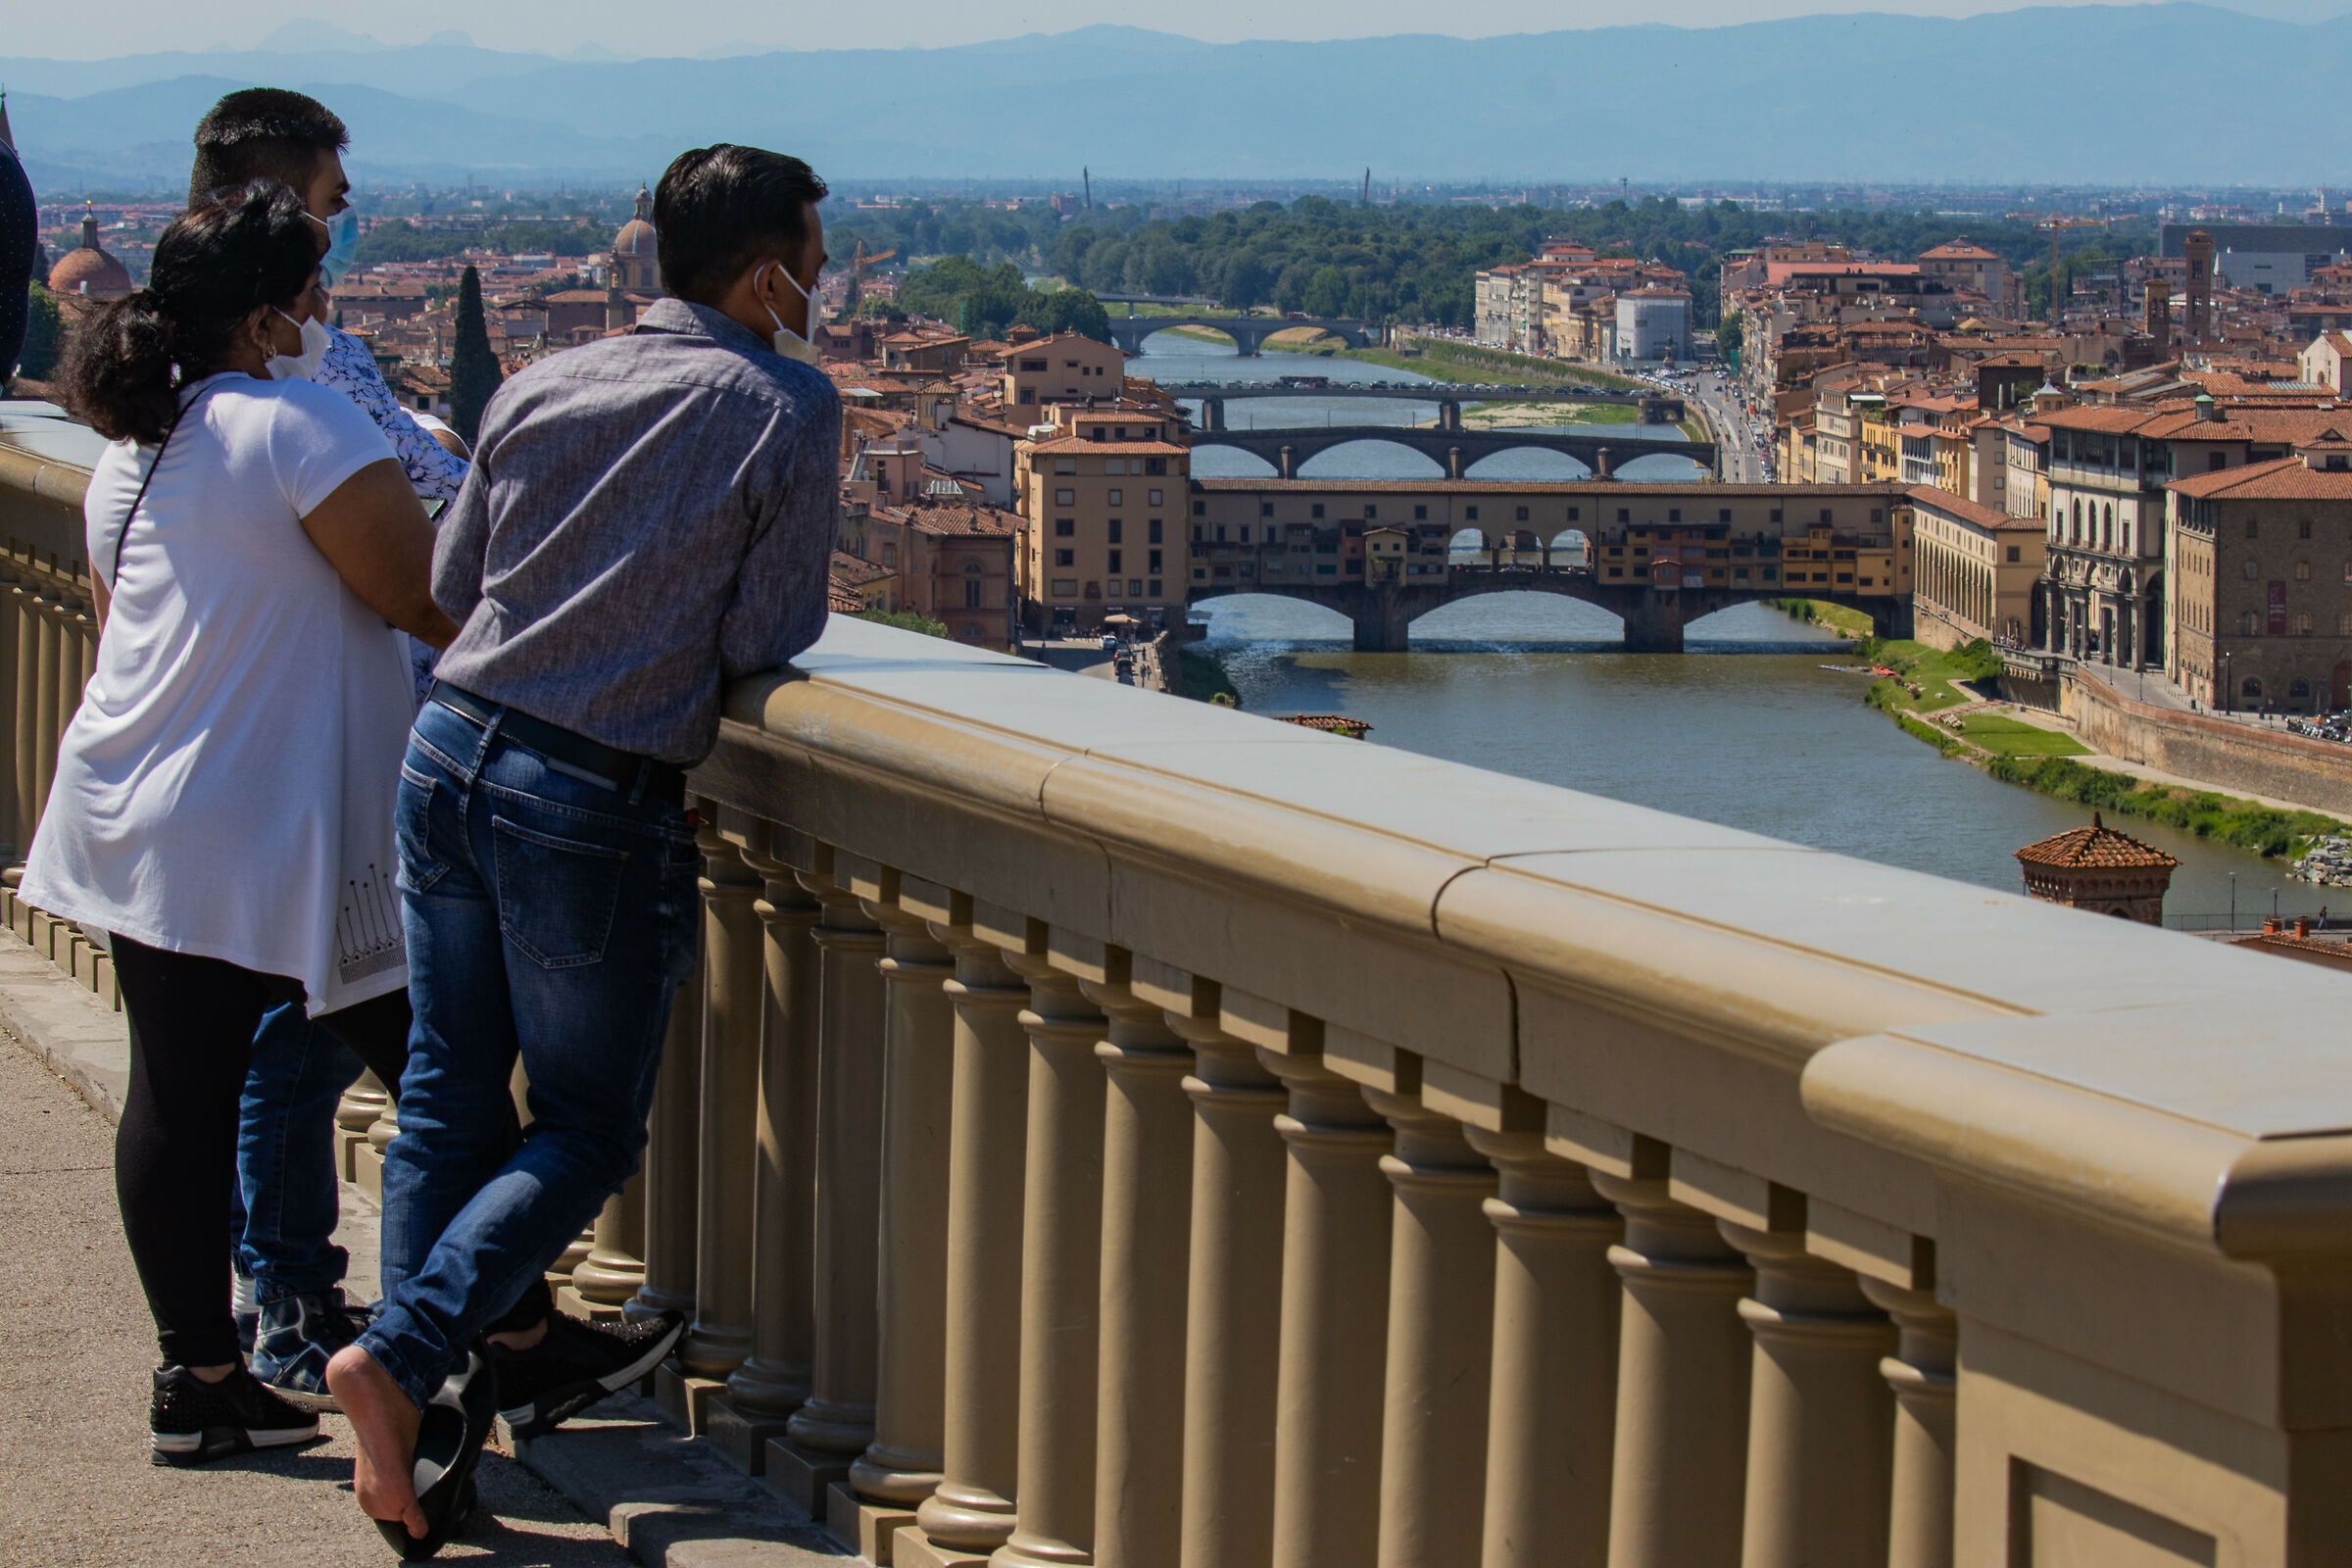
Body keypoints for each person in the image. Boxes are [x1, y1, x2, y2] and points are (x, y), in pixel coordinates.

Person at [327, 142, 838, 1550]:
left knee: (442, 1096)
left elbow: (449, 584)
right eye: (818, 253)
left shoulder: (544, 383)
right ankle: (405, 1354)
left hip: (450, 749)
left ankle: (426, 1451)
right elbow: (765, 636)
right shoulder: (783, 406)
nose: (829, 283)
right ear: (764, 274)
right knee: (587, 1126)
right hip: (586, 790)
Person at [22, 180, 456, 1467]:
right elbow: (423, 601)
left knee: (182, 1092)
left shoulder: (132, 448)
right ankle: (510, 1338)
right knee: (437, 1076)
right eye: (315, 293)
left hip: (139, 807)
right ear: (271, 316)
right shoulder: (299, 426)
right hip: (273, 828)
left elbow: (132, 624)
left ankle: (198, 1379)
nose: (327, 314)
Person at [184, 88, 499, 1405]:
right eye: (327, 201)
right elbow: (414, 555)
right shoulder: (287, 390)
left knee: (308, 1038)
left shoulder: (214, 376)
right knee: (339, 1040)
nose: (345, 228)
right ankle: (329, 1310)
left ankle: (319, 1311)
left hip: (308, 745)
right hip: (340, 749)